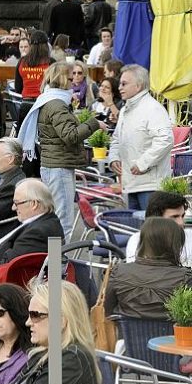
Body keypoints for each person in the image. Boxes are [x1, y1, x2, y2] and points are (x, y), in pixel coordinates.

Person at [30, 62, 105, 238]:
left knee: (56, 219)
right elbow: (70, 135)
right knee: (63, 223)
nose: (74, 82)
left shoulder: (49, 100)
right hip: (59, 167)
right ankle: (58, 265)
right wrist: (93, 124)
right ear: (62, 79)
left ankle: (54, 263)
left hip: (53, 165)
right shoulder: (57, 104)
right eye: (71, 78)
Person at [108, 65, 174, 210]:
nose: (119, 87)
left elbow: (165, 140)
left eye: (124, 84)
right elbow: (117, 138)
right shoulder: (126, 109)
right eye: (120, 83)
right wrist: (113, 158)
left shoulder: (153, 108)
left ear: (138, 86)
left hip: (151, 185)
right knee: (136, 231)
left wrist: (142, 164)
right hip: (131, 183)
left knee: (151, 230)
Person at [106, 217, 192, 320]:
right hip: (174, 335)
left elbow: (105, 311)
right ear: (176, 245)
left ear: (143, 242)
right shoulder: (186, 279)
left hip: (127, 335)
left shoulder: (119, 272)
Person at [0, 179, 65, 265]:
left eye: (16, 203)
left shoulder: (38, 232)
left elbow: (7, 265)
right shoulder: (48, 221)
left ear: (34, 204)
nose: (13, 208)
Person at [125, 191, 192, 266]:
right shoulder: (136, 240)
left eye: (182, 216)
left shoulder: (189, 236)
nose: (181, 222)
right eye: (174, 217)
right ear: (157, 220)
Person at [14, 30, 55, 127]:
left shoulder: (22, 62)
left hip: (26, 105)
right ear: (46, 45)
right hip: (44, 105)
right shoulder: (51, 63)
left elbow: (18, 87)